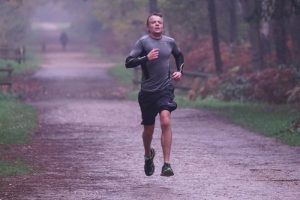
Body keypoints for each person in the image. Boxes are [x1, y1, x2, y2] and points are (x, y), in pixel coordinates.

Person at [125, 13, 184, 177]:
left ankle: (167, 164)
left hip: (165, 89)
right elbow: (128, 62)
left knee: (166, 121)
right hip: (147, 92)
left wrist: (179, 71)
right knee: (148, 130)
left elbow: (179, 55)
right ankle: (148, 155)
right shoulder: (143, 42)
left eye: (159, 22)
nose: (157, 24)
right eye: (153, 22)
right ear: (148, 26)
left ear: (162, 25)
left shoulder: (170, 42)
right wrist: (146, 58)